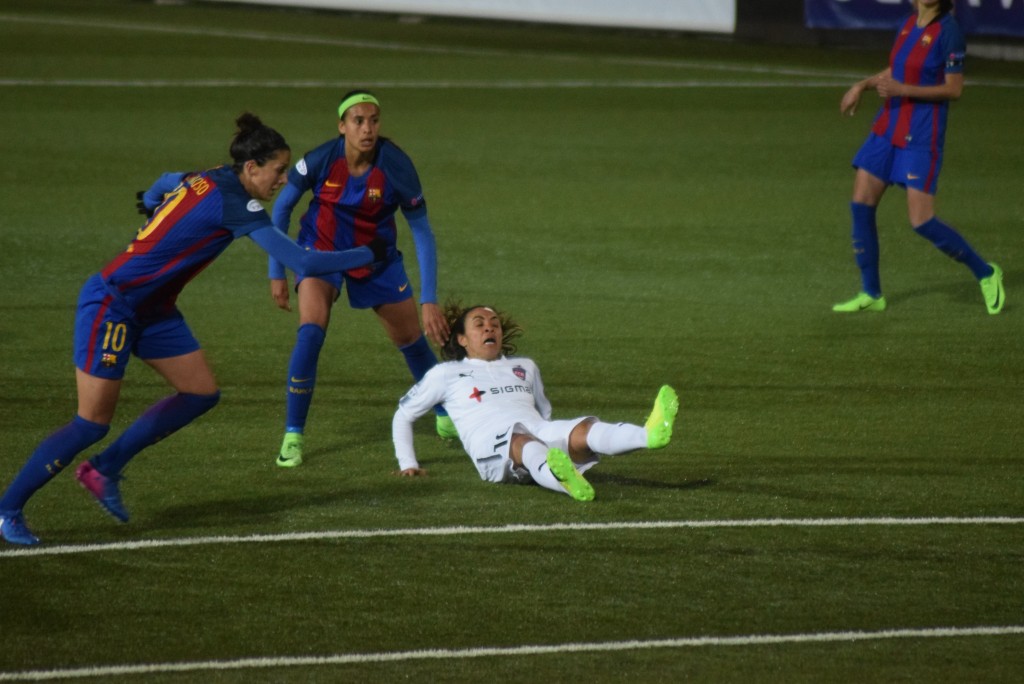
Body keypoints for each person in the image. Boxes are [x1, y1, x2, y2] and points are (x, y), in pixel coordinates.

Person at [0, 113, 385, 546]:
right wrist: (365, 254)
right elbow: (306, 263)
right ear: (252, 168)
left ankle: (104, 469)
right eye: (278, 171)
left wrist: (150, 199)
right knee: (91, 422)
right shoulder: (239, 205)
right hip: (114, 304)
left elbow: (167, 180)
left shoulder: (212, 176)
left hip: (155, 308)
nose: (280, 180)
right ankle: (8, 509)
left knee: (201, 393)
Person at [268, 89, 452, 469]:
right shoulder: (321, 159)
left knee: (411, 340)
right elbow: (282, 207)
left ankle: (447, 416)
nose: (367, 128)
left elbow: (422, 230)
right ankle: (293, 435)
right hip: (321, 254)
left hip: (377, 259)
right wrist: (277, 272)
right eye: (358, 121)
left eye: (373, 120)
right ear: (342, 126)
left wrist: (429, 298)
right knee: (311, 331)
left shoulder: (396, 165)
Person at [391, 302, 680, 501]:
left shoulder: (525, 367)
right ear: (463, 339)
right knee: (522, 441)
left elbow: (544, 413)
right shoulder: (445, 374)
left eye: (495, 325)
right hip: (490, 447)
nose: (490, 329)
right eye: (479, 325)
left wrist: (564, 437)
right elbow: (403, 415)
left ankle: (649, 435)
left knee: (582, 430)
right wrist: (408, 463)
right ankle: (564, 482)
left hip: (536, 429)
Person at [833, 0, 1004, 315]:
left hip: (921, 137)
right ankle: (871, 292)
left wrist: (904, 90)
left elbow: (954, 89)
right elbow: (894, 71)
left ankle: (986, 272)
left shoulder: (949, 32)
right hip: (887, 129)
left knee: (921, 221)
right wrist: (862, 85)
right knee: (860, 205)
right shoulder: (907, 24)